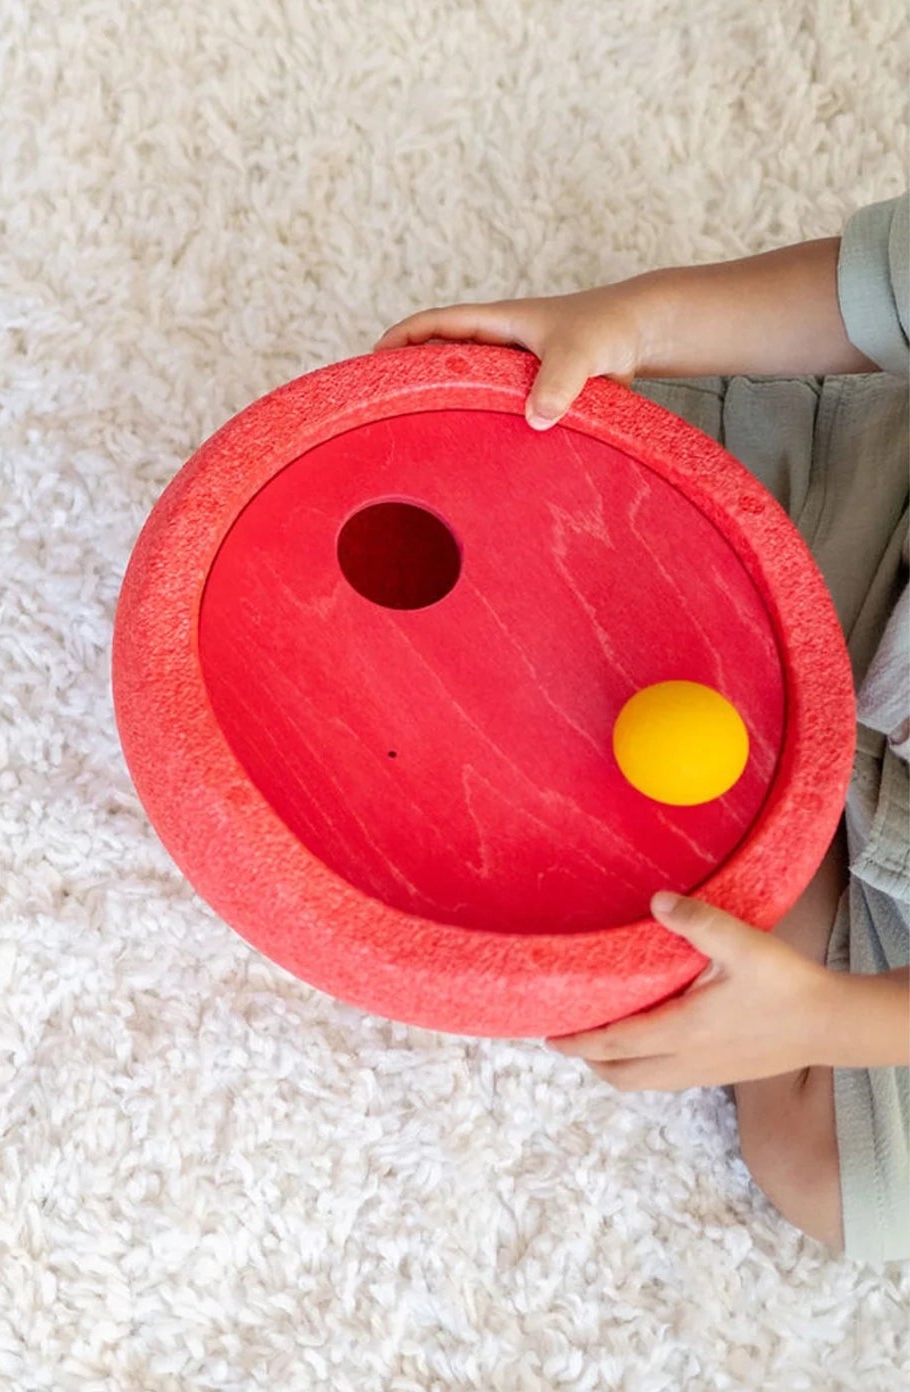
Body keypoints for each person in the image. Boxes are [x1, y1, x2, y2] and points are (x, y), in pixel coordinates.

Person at [379, 201, 910, 1262]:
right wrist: (635, 320)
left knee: (834, 1182)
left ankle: (790, 854)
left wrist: (816, 1016)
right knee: (524, 443)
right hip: (855, 512)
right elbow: (869, 295)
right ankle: (777, 768)